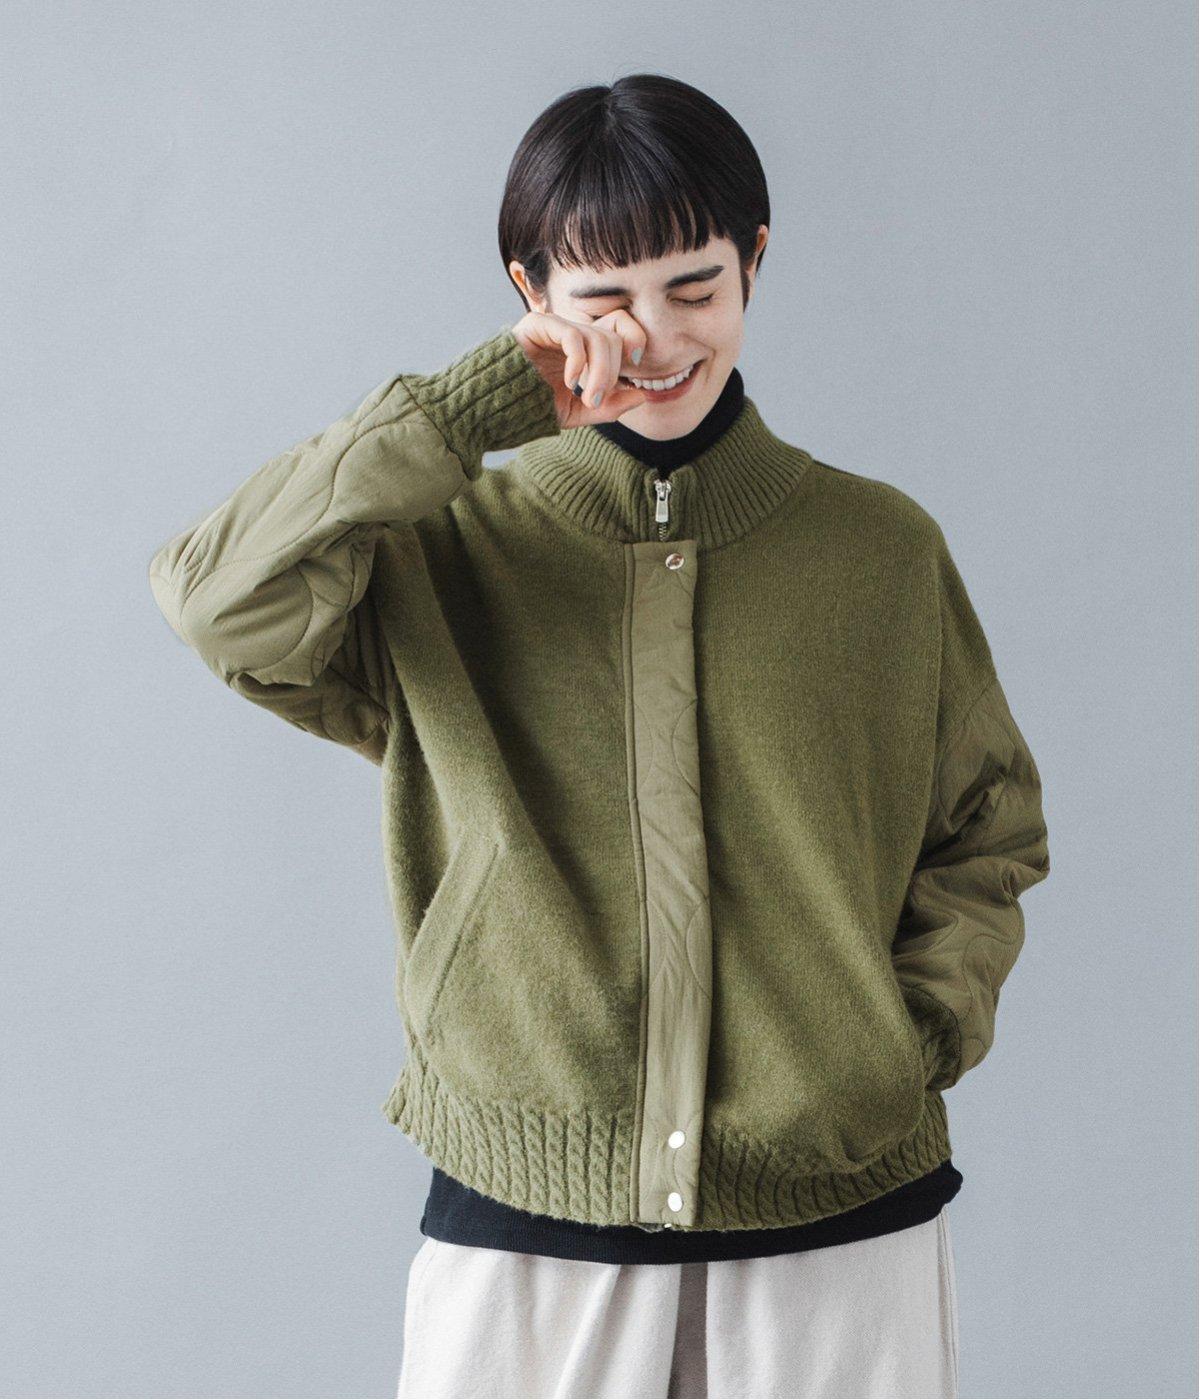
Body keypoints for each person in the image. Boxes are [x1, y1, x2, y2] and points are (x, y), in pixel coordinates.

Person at [148, 73, 1050, 1400]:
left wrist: (900, 1048)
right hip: (526, 1226)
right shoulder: (439, 553)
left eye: (695, 287)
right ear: (530, 294)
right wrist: (465, 416)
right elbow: (218, 601)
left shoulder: (879, 550)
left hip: (840, 1224)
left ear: (754, 263)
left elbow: (987, 831)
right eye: (605, 298)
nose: (656, 338)